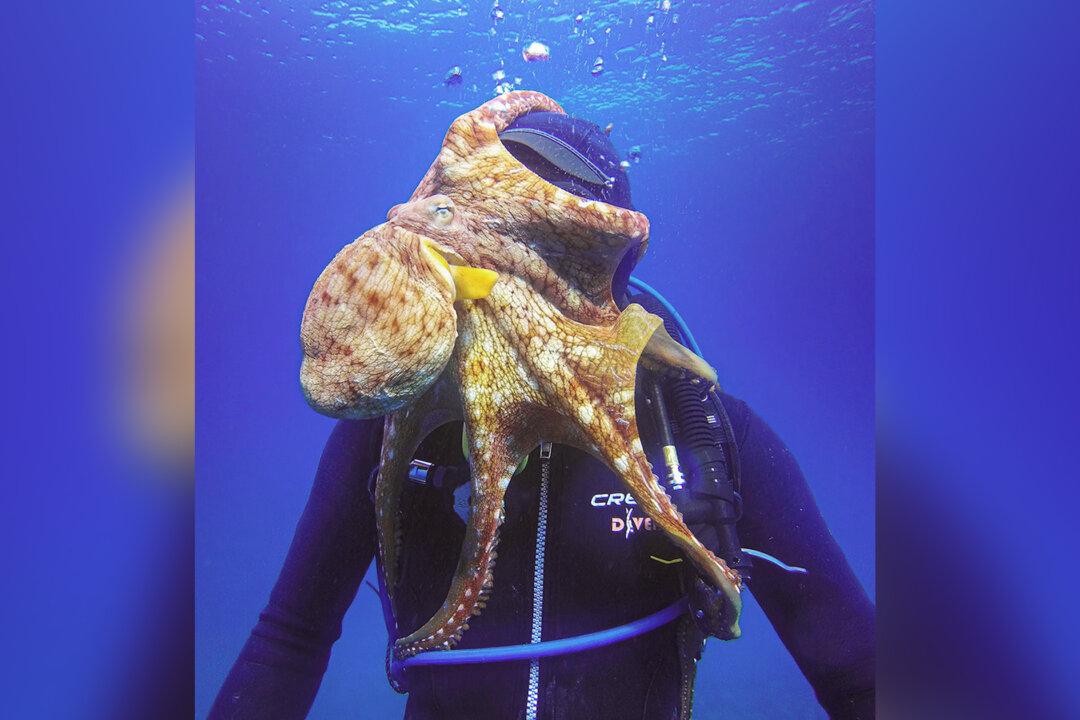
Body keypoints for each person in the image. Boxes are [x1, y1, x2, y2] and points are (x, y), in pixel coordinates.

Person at [210, 112, 875, 720]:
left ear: (615, 271)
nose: (515, 284)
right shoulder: (390, 434)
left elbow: (856, 673)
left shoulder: (701, 432)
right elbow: (290, 638)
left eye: (561, 248)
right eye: (492, 243)